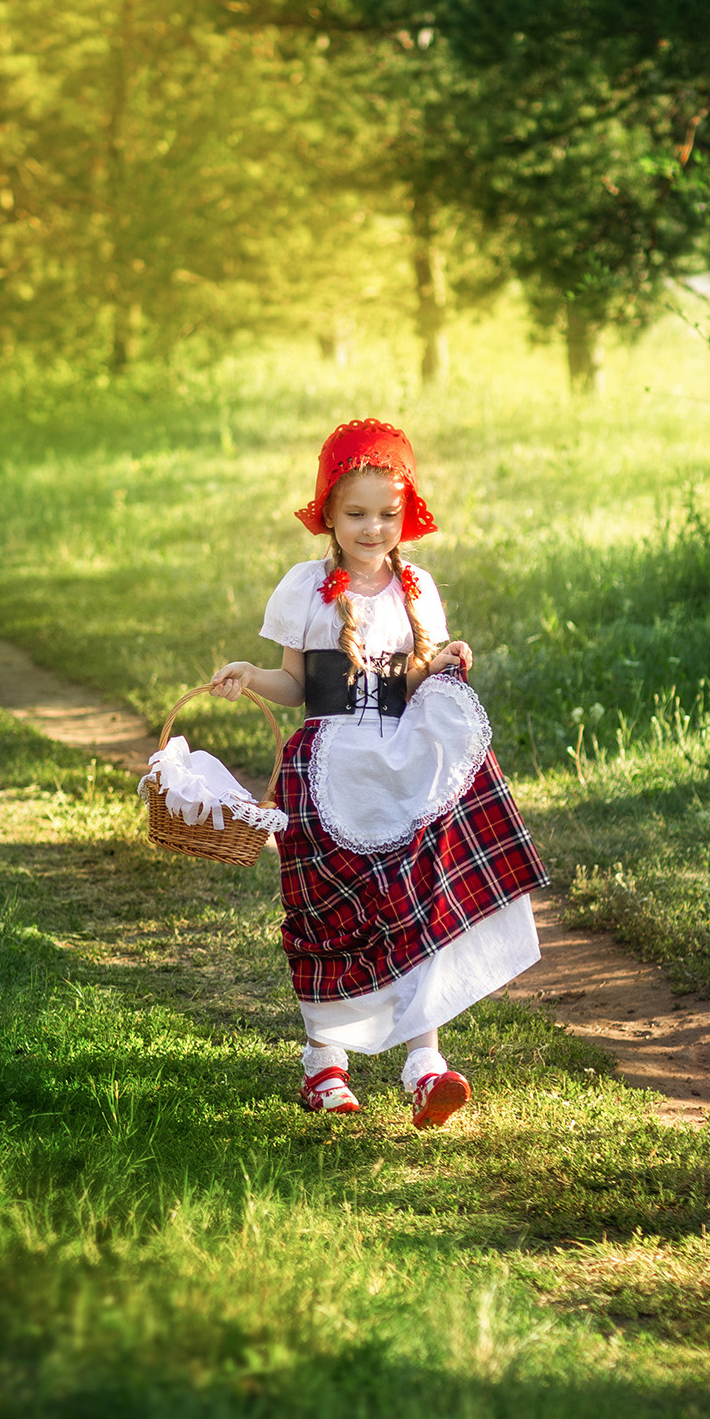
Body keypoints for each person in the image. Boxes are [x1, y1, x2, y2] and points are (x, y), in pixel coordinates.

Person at [210, 417, 548, 1129]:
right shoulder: (307, 588)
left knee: (412, 908)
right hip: (330, 766)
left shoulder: (415, 586)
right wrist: (250, 674)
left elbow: (417, 680)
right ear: (327, 515)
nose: (371, 528)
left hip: (397, 768)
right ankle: (323, 1064)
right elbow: (296, 686)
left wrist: (443, 660)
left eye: (386, 514)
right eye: (355, 514)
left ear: (406, 514)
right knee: (330, 916)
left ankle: (424, 1066)